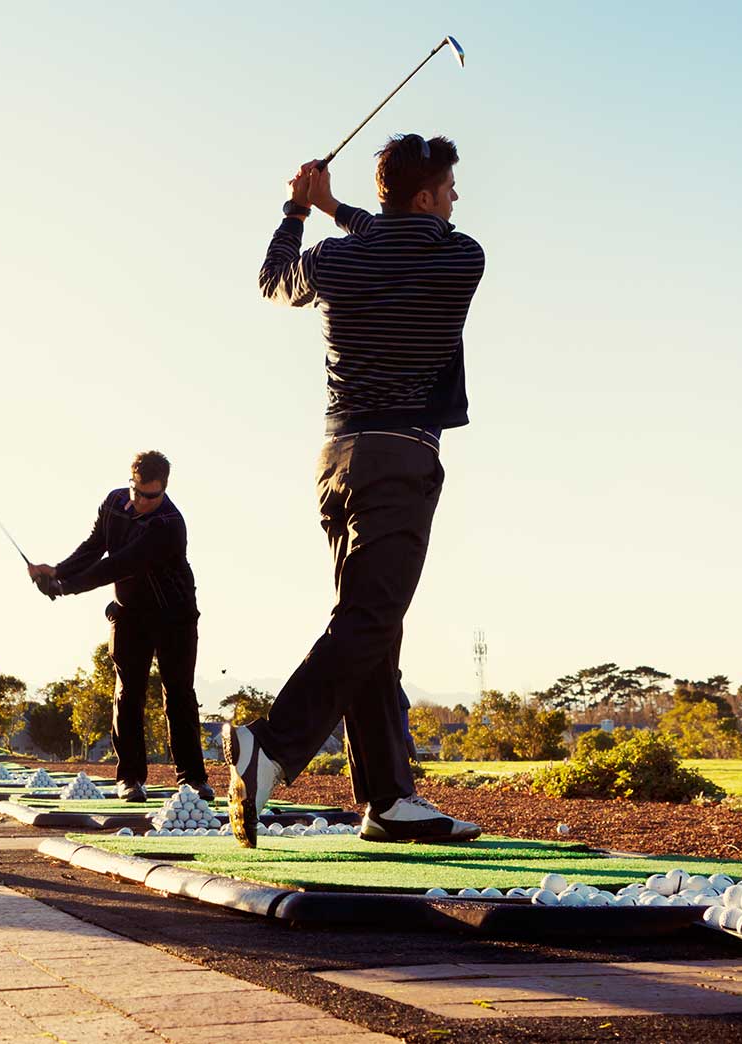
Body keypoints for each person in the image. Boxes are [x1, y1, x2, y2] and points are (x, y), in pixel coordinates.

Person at [228, 134, 485, 846]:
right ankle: (272, 747)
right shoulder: (460, 256)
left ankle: (389, 799)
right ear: (429, 197)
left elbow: (274, 276)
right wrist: (336, 204)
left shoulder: (335, 259)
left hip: (338, 458)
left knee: (374, 623)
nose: (457, 200)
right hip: (401, 458)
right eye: (450, 190)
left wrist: (302, 208)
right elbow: (401, 233)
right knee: (370, 621)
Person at [31, 451, 210, 803]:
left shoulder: (169, 524)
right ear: (131, 482)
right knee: (128, 693)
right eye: (138, 492)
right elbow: (94, 548)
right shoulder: (114, 502)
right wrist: (57, 571)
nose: (142, 501)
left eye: (151, 496)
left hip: (175, 615)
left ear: (164, 491)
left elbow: (116, 566)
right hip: (130, 613)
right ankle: (130, 779)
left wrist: (63, 588)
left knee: (179, 695)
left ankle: (192, 780)